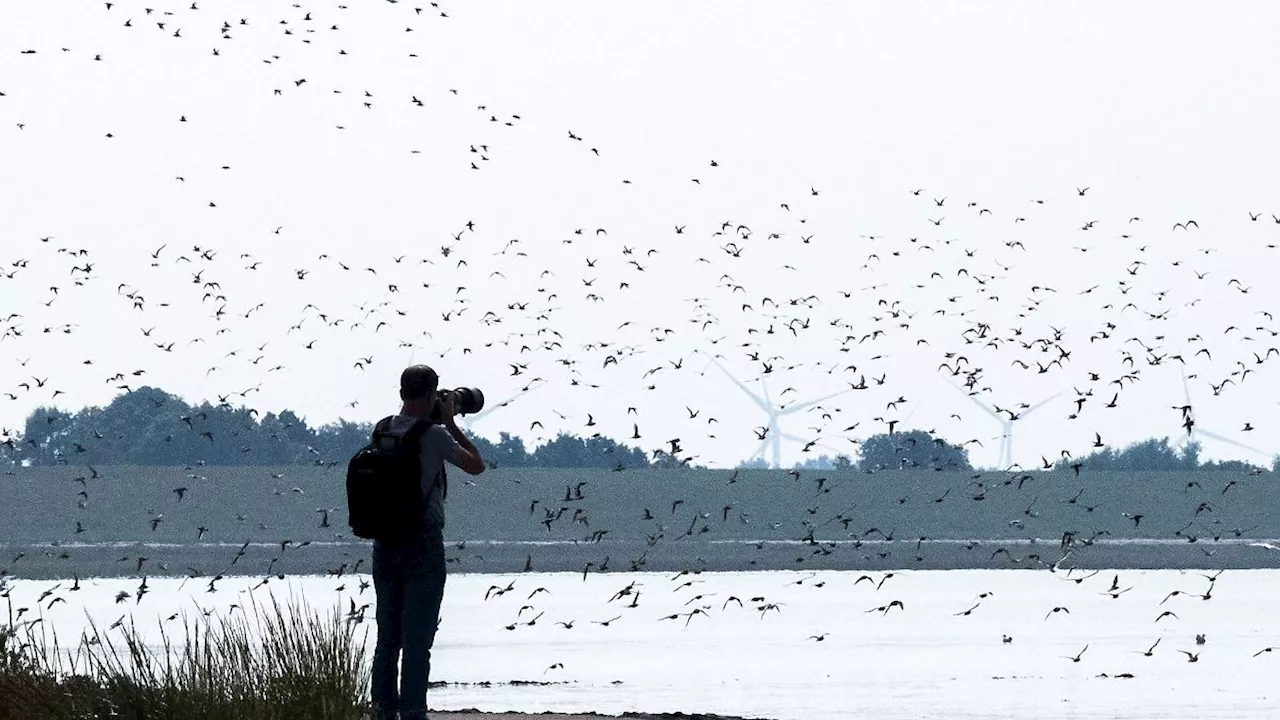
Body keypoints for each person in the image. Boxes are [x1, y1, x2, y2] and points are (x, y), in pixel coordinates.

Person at [371, 365, 485, 720]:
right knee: (418, 641)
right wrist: (451, 422)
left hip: (384, 544)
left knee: (388, 638)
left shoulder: (381, 429)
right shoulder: (434, 435)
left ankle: (382, 710)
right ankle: (414, 712)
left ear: (402, 391)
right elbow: (476, 466)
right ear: (431, 394)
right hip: (422, 546)